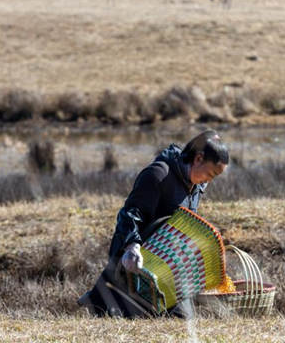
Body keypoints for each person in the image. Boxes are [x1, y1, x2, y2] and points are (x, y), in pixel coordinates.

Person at [79, 129, 229, 317]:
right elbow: (130, 214)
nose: (210, 180)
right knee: (130, 315)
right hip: (136, 259)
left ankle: (99, 299)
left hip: (166, 264)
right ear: (198, 159)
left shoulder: (196, 185)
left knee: (182, 318)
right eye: (211, 173)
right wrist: (132, 246)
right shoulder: (158, 175)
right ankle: (99, 298)